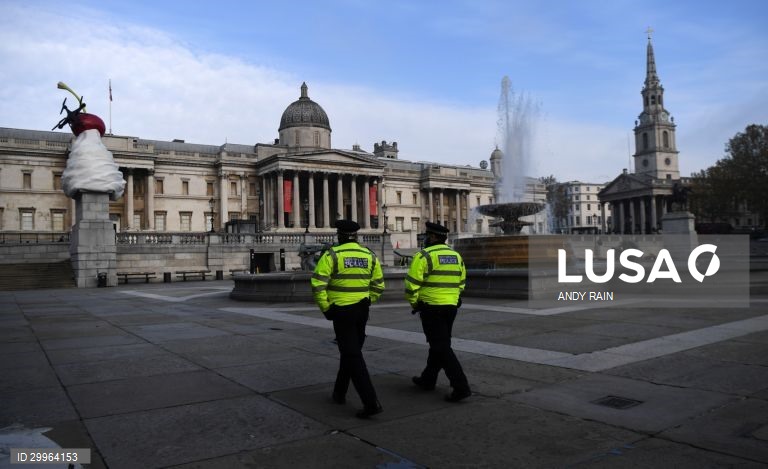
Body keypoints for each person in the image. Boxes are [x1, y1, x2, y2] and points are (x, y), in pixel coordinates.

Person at [311, 220, 385, 418]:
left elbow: (318, 285)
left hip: (341, 310)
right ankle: (339, 392)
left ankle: (371, 402)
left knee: (352, 354)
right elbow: (378, 285)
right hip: (362, 310)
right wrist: (369, 300)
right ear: (356, 235)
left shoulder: (332, 255)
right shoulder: (369, 255)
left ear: (340, 235)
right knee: (350, 351)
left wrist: (326, 308)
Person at [405, 221, 471, 402]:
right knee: (439, 344)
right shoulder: (456, 256)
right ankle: (428, 379)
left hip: (431, 307)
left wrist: (415, 303)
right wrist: (454, 297)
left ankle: (461, 386)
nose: (426, 238)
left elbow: (411, 285)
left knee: (441, 346)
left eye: (427, 235)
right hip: (451, 307)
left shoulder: (424, 255)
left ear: (433, 237)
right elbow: (462, 281)